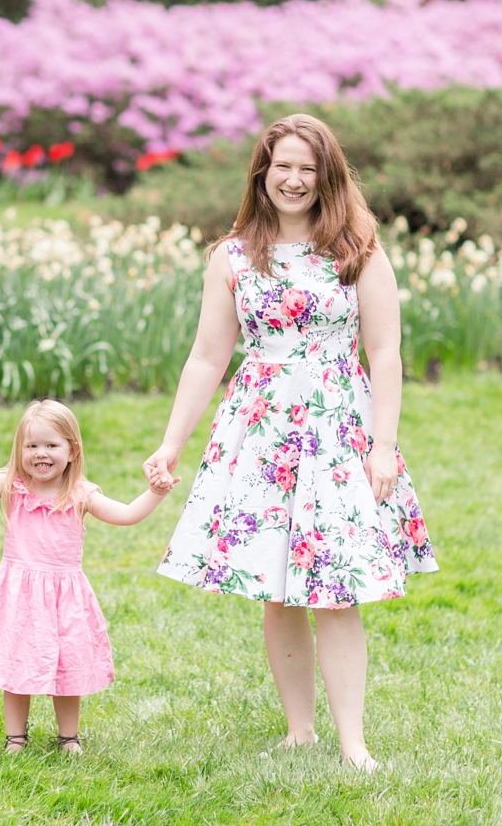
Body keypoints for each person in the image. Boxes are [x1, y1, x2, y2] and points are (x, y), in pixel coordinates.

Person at [142, 114, 437, 771]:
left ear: (326, 175)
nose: (295, 180)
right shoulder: (234, 256)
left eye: (308, 168)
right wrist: (171, 443)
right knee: (277, 585)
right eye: (283, 167)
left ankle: (353, 743)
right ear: (263, 174)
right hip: (262, 434)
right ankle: (299, 731)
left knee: (335, 586)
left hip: (337, 431)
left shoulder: (358, 248)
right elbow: (205, 357)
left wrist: (382, 445)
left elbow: (385, 353)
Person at [0, 400, 173, 753]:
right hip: (19, 595)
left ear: (72, 450)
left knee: (68, 671)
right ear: (19, 450)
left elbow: (126, 515)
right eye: (32, 445)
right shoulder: (13, 488)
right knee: (16, 667)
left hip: (63, 597)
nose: (41, 453)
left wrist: (155, 493)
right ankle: (15, 739)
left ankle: (69, 738)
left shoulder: (81, 494)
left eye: (51, 445)